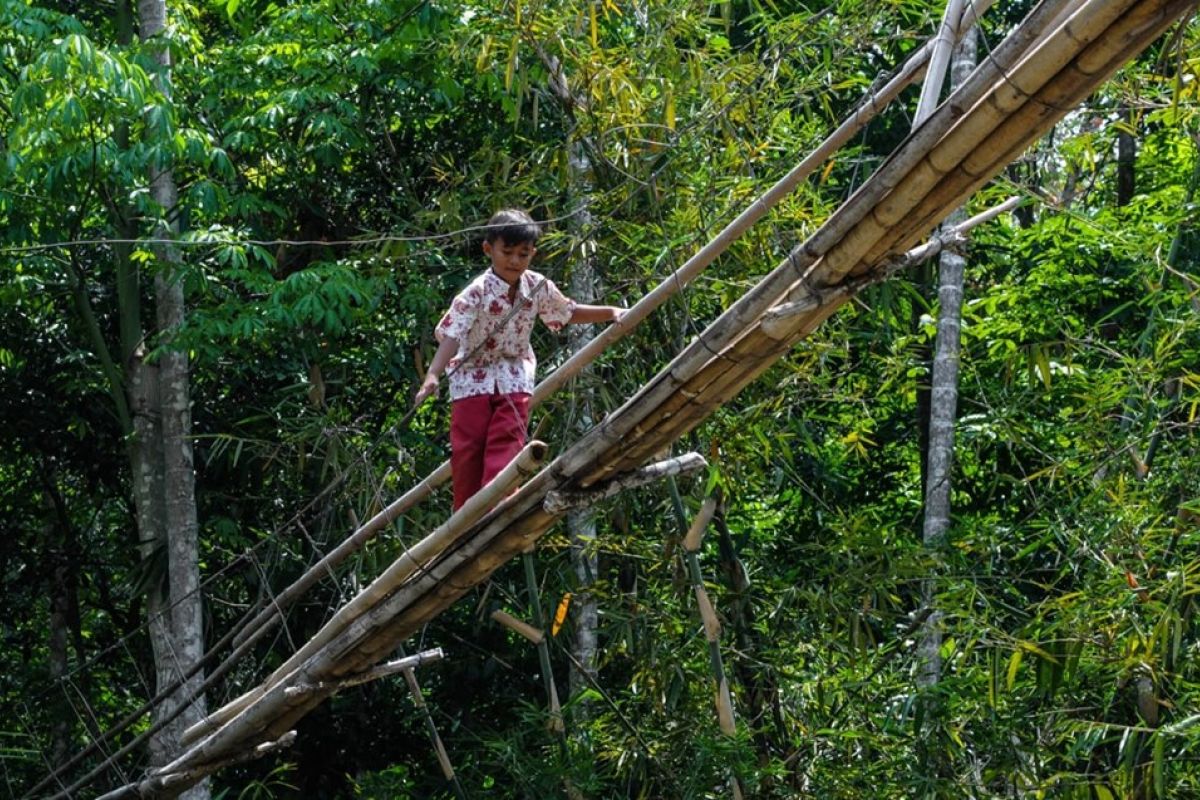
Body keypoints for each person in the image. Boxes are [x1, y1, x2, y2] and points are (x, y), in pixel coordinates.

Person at [414, 209, 625, 510]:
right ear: (489, 250)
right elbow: (453, 334)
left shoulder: (537, 286)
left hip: (514, 372)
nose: (514, 261)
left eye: (523, 254)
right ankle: (465, 515)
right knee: (468, 447)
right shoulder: (476, 293)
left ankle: (501, 500)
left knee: (509, 436)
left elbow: (566, 311)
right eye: (507, 252)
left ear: (532, 254)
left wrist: (611, 312)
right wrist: (433, 374)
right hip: (472, 375)